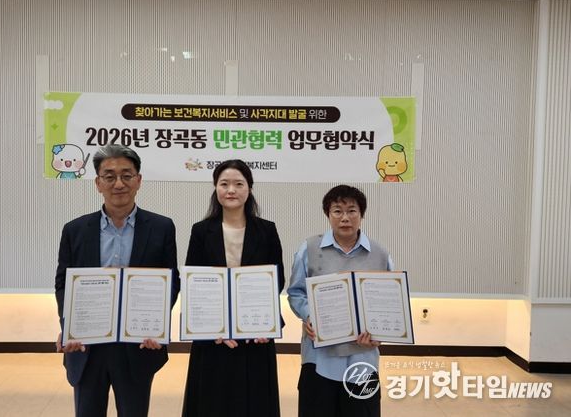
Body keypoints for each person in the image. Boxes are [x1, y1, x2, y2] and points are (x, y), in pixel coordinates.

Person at [54, 144, 179, 417]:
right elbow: (63, 283)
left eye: (127, 175)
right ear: (98, 183)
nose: (119, 183)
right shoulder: (75, 230)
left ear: (139, 180)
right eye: (109, 176)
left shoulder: (162, 227)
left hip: (138, 345)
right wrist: (70, 325)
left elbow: (171, 281)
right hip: (87, 346)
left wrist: (156, 325)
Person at [182, 159, 285, 417]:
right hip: (212, 336)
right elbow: (194, 283)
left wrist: (265, 323)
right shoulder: (201, 231)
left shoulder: (267, 230)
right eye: (224, 184)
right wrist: (213, 328)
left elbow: (277, 279)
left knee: (255, 403)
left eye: (238, 184)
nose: (231, 190)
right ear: (215, 188)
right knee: (212, 403)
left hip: (255, 334)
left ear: (249, 188)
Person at [287, 185, 394, 417]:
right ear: (328, 214)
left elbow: (389, 302)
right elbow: (296, 292)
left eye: (352, 211)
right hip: (319, 358)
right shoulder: (309, 248)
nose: (345, 218)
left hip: (362, 358)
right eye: (337, 211)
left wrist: (380, 333)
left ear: (361, 214)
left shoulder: (379, 253)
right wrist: (309, 315)